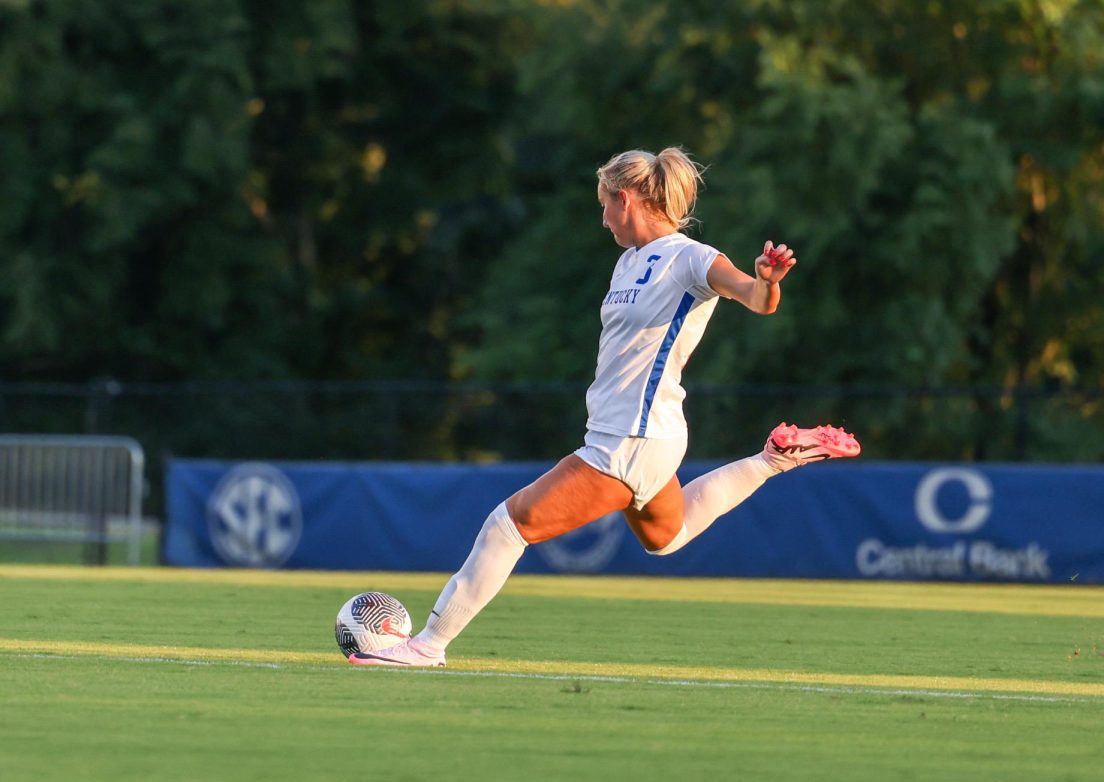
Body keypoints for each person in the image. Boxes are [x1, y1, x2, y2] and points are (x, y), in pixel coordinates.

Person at [349, 147, 860, 667]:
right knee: (668, 537)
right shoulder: (627, 261)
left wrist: (768, 281)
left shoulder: (693, 257)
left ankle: (428, 646)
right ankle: (775, 458)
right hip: (639, 432)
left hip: (633, 438)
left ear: (625, 199)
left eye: (603, 206)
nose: (602, 219)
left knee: (508, 524)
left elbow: (755, 299)